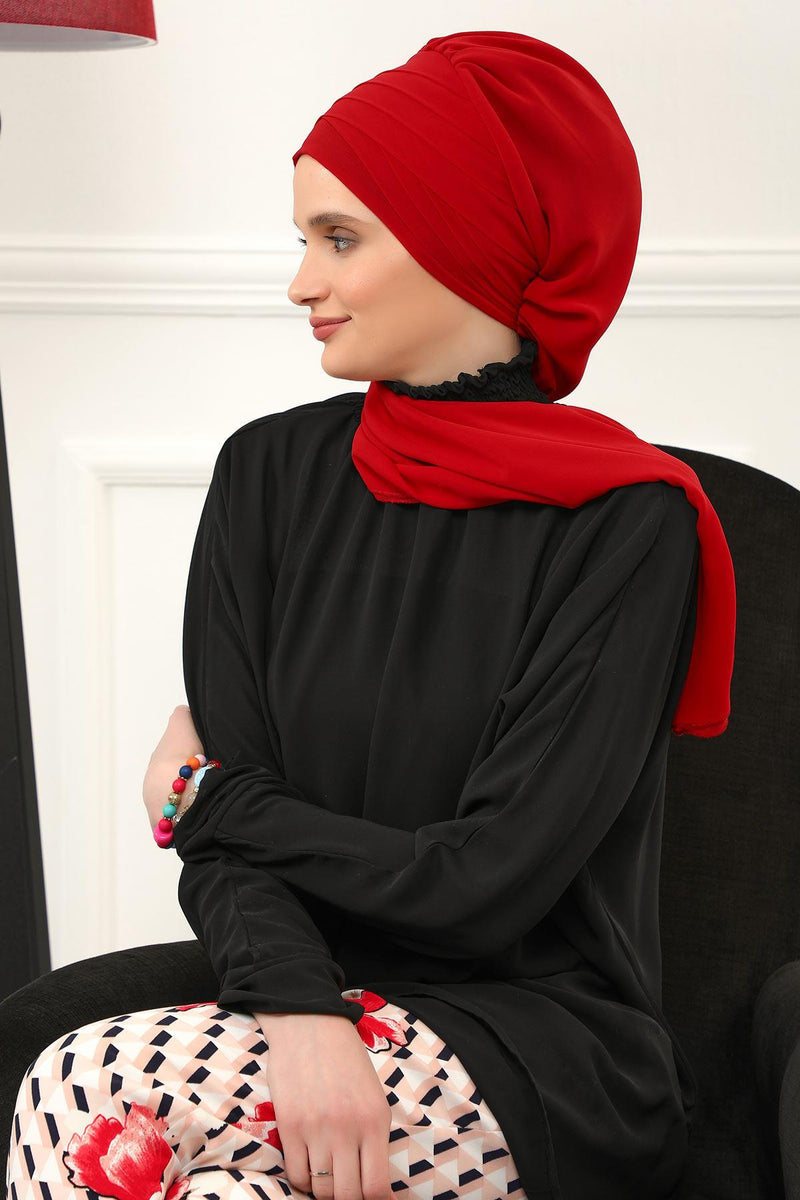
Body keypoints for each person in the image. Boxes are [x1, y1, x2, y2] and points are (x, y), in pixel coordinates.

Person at [5, 29, 736, 1200]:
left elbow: (479, 888)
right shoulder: (267, 477)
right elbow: (229, 856)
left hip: (534, 1051)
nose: (301, 283)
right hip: (286, 1007)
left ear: (464, 242)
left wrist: (207, 800)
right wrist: (300, 1011)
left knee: (89, 1091)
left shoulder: (624, 524)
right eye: (303, 239)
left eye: (338, 239)